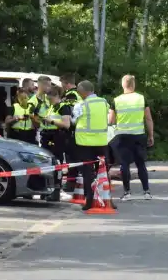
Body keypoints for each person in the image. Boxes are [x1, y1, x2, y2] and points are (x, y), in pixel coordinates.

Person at [109, 75, 154, 201]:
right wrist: (151, 135)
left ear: (123, 85)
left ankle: (127, 192)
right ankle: (146, 192)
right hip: (139, 135)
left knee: (124, 164)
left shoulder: (116, 100)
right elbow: (148, 118)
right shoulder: (141, 98)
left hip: (122, 136)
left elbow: (111, 120)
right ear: (133, 85)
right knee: (141, 164)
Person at [71, 80, 109, 210]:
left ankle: (89, 201)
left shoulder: (80, 105)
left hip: (85, 143)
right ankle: (107, 199)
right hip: (102, 142)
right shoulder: (104, 102)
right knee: (103, 173)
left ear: (82, 92)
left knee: (88, 173)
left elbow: (74, 121)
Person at [41, 86, 72, 201]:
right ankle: (47, 189)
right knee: (47, 164)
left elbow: (66, 125)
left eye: (50, 98)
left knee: (56, 164)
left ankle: (55, 191)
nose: (49, 100)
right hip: (47, 137)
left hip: (57, 137)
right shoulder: (51, 107)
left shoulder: (64, 107)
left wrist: (51, 121)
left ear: (57, 96)